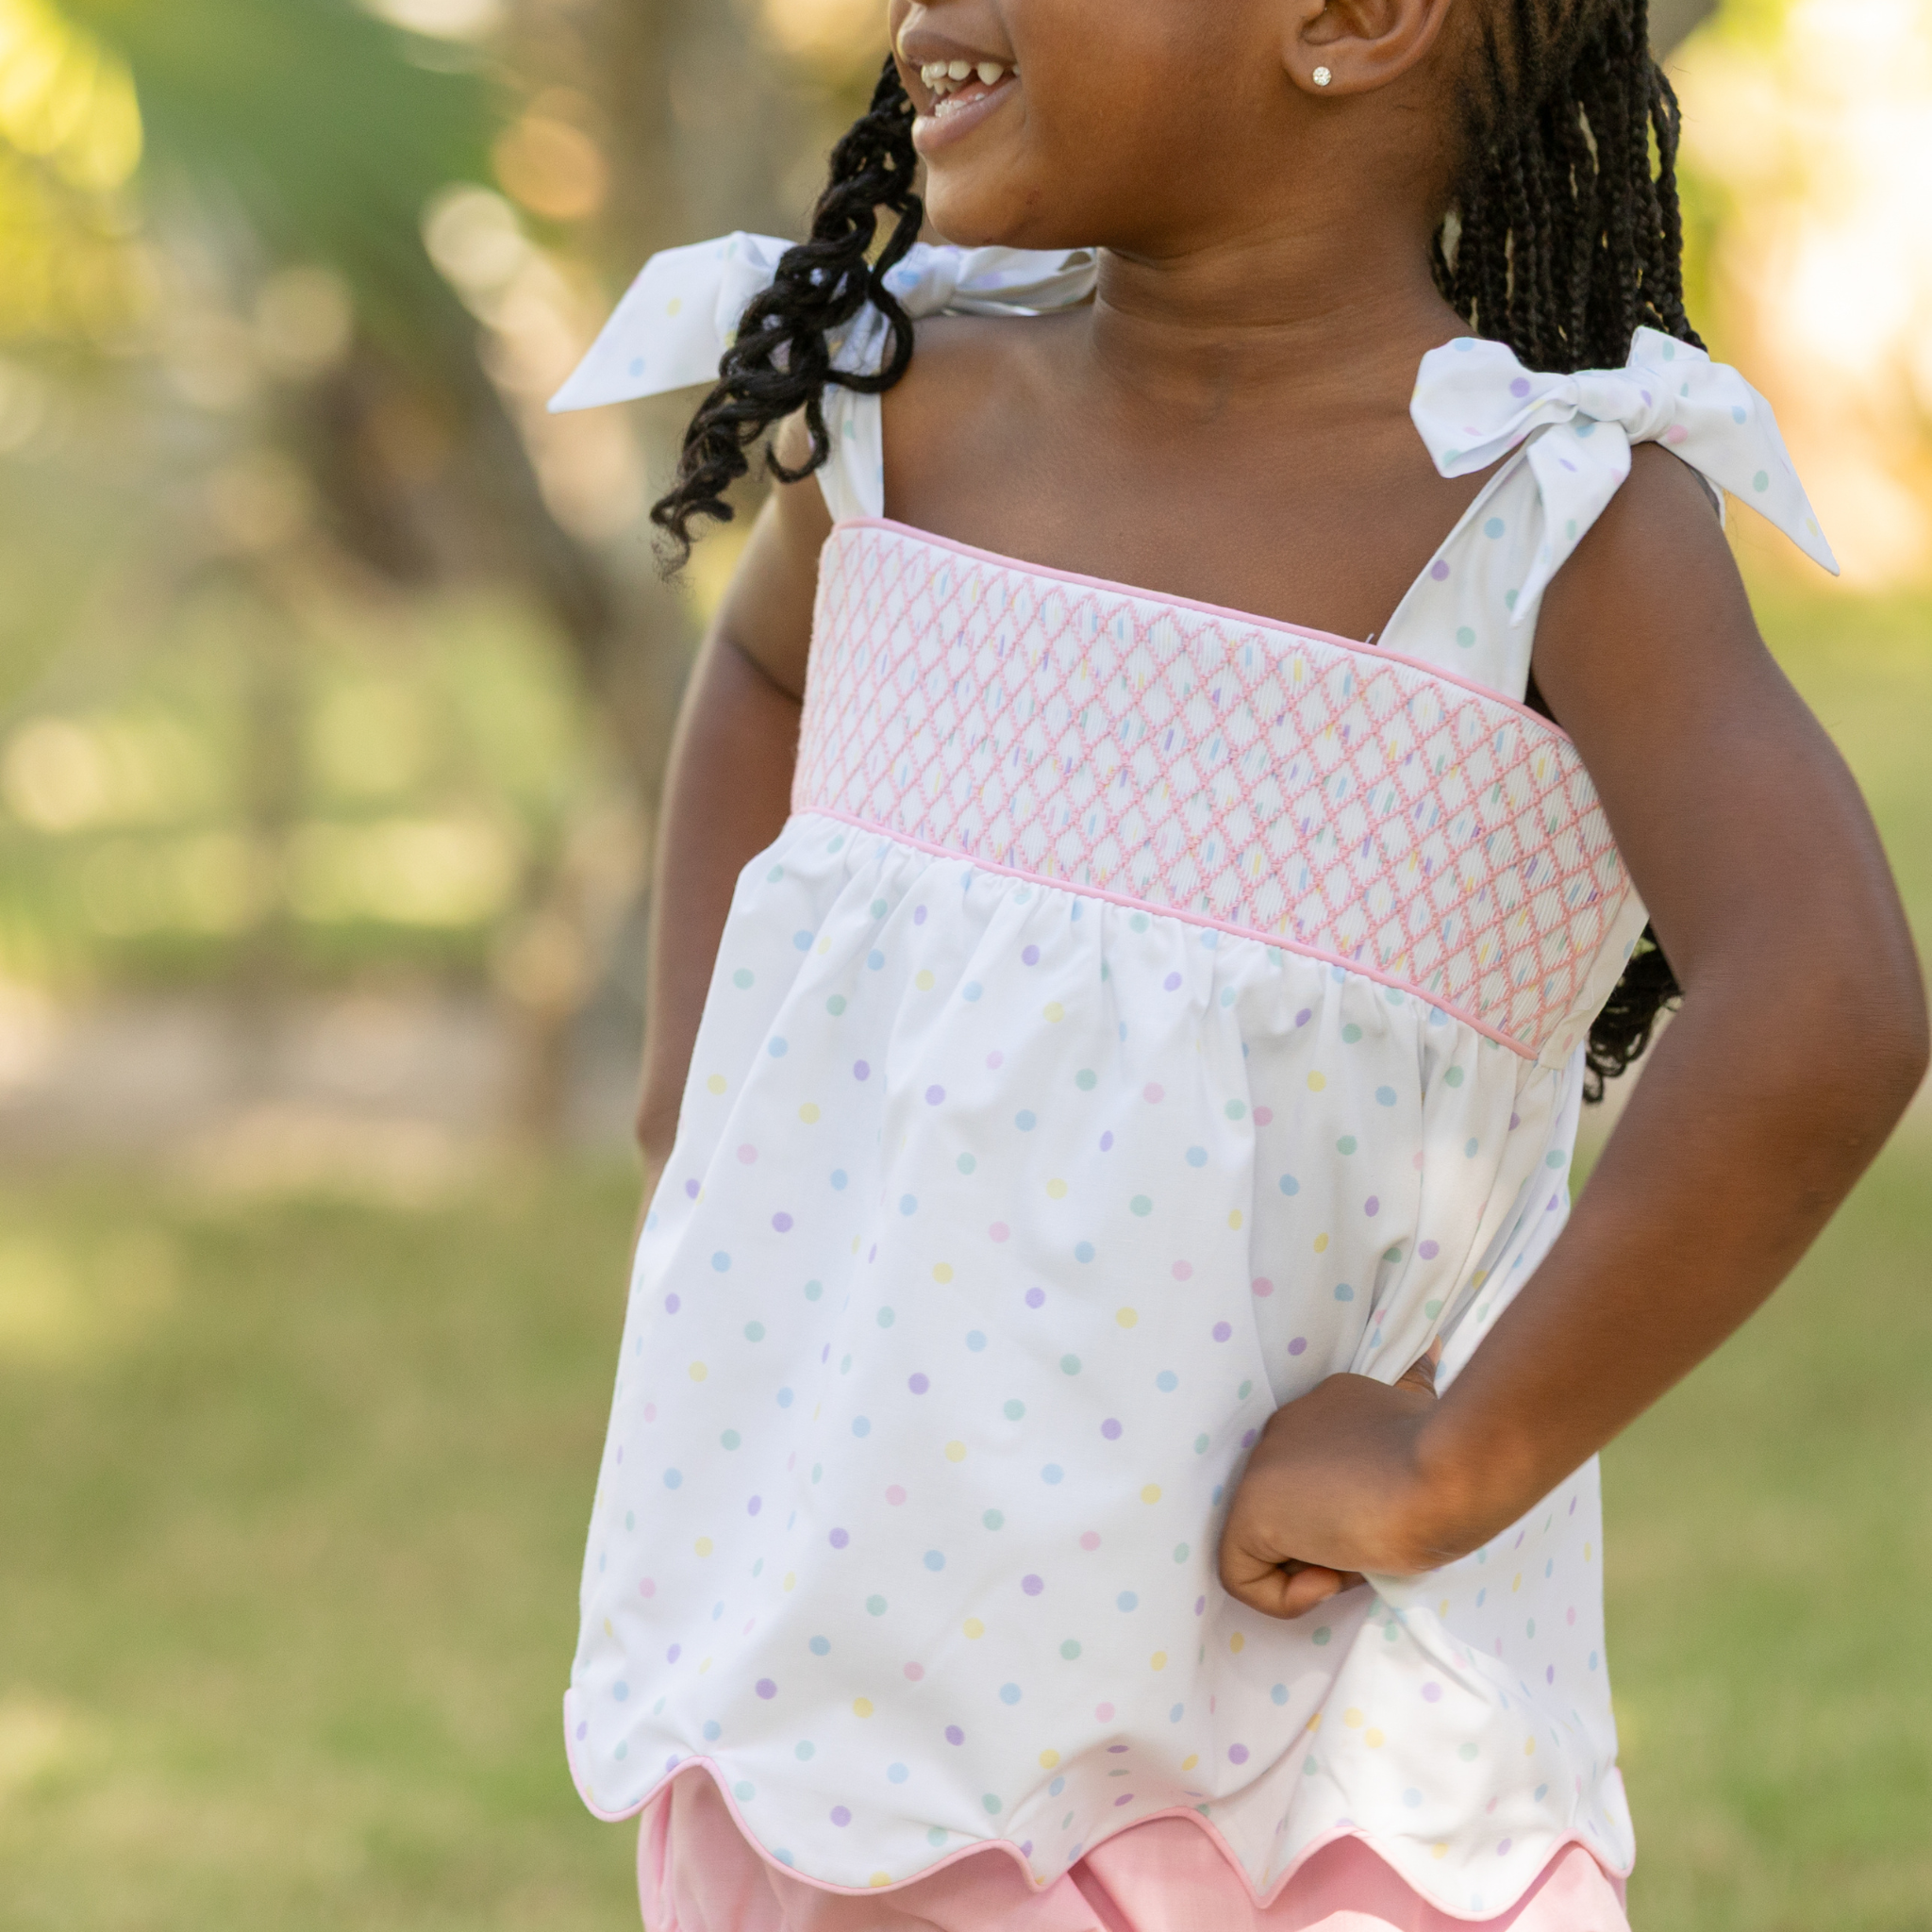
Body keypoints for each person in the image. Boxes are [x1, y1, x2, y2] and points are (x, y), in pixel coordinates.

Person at [547, 1, 1928, 1925]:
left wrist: (1451, 1463)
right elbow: (775, 667)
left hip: (1297, 1759)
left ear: (1351, 20)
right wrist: (698, 1117)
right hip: (858, 1689)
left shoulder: (1545, 519)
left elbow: (1821, 1000)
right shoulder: (908, 414)